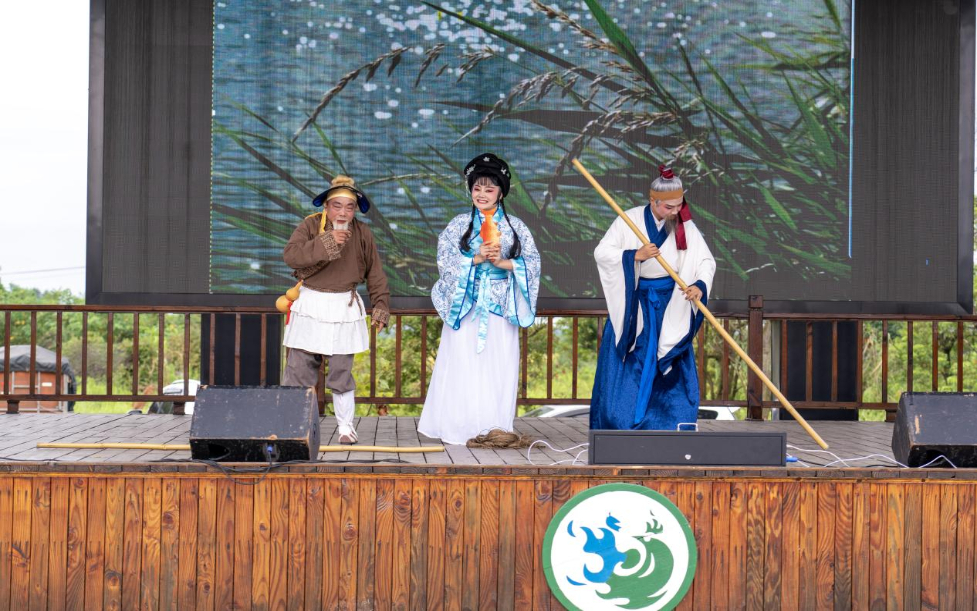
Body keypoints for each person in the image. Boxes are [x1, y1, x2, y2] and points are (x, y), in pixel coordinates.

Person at [419, 153, 541, 444]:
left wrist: (504, 263)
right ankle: (458, 429)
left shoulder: (516, 227)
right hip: (467, 304)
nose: (482, 194)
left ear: (501, 192)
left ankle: (495, 428)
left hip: (500, 307)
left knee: (499, 365)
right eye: (477, 188)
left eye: (489, 188)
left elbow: (533, 263)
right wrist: (474, 258)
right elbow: (445, 262)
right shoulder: (458, 225)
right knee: (462, 364)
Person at [590, 165, 716, 431]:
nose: (675, 212)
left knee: (670, 360)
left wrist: (699, 284)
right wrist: (634, 255)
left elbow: (705, 260)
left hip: (669, 305)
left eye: (679, 206)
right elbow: (602, 252)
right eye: (669, 207)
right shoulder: (629, 219)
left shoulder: (684, 225)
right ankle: (620, 425)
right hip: (636, 304)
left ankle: (669, 425)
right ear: (653, 200)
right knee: (629, 360)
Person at [281, 175, 390, 444]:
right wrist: (327, 241)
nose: (343, 212)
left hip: (344, 307)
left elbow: (375, 272)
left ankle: (345, 427)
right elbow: (291, 256)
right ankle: (294, 427)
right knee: (299, 370)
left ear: (355, 210)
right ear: (327, 206)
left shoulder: (362, 232)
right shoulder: (310, 225)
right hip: (311, 304)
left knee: (341, 371)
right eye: (337, 205)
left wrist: (381, 305)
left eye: (349, 207)